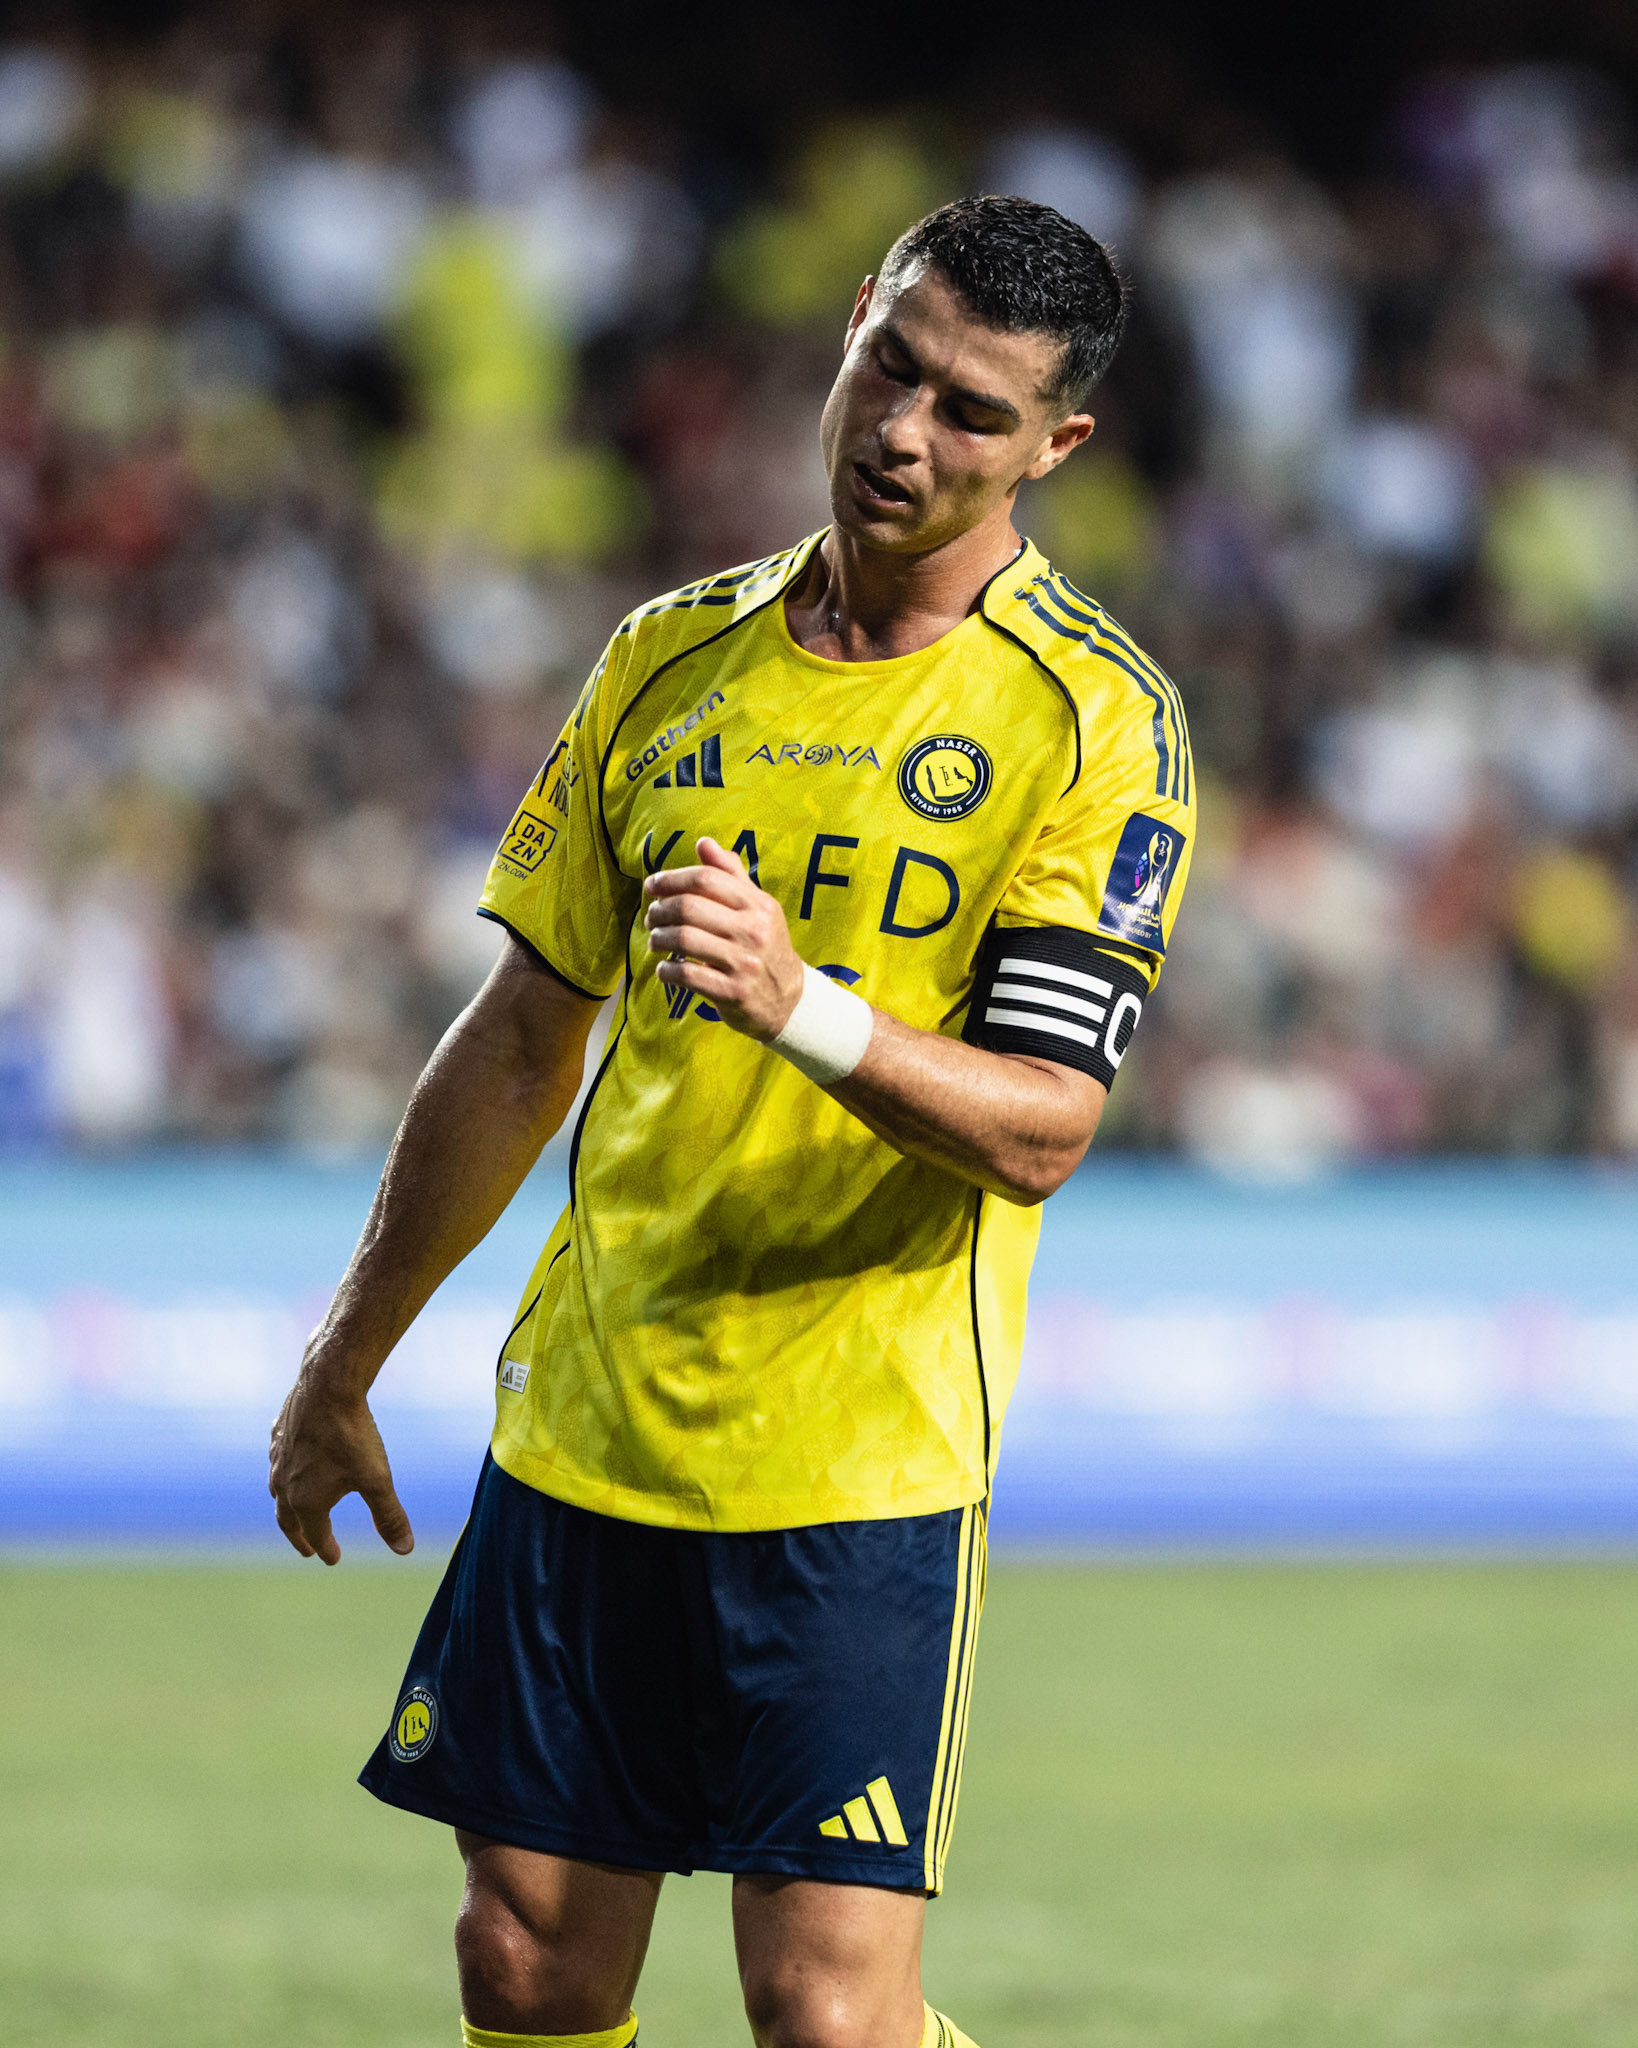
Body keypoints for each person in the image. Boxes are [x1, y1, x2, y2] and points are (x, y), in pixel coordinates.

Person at [268, 193, 1194, 2048]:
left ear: (1057, 446)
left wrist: (806, 1008)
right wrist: (347, 1354)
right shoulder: (667, 658)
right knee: (524, 1963)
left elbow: (1038, 1126)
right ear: (852, 322)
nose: (906, 434)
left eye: (975, 414)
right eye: (893, 367)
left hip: (858, 1464)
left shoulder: (1090, 719)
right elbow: (527, 1030)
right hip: (589, 1424)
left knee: (830, 2023)